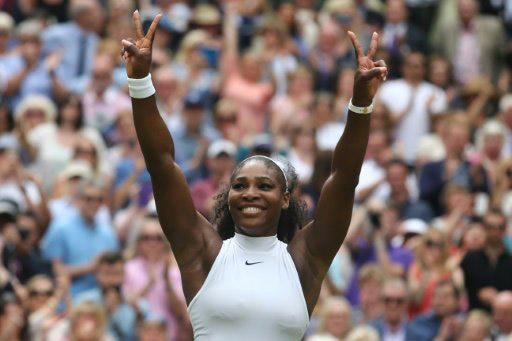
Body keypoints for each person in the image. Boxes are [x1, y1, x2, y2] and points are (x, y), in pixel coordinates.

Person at [121, 9, 387, 340]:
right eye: (240, 185)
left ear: (286, 199)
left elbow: (344, 179)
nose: (250, 193)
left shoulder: (306, 258)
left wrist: (361, 104)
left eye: (264, 185)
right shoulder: (203, 252)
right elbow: (161, 165)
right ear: (227, 196)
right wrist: (140, 82)